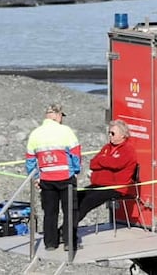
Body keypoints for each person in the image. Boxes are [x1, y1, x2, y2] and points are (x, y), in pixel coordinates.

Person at [25, 102, 81, 251]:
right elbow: (75, 152)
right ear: (57, 115)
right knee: (70, 211)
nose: (62, 119)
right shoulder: (65, 131)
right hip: (65, 176)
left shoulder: (35, 133)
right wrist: (76, 170)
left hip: (46, 178)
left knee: (50, 212)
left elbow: (30, 159)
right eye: (61, 115)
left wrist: (36, 176)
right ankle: (69, 242)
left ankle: (50, 243)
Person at [72, 119, 138, 239]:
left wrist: (102, 161)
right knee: (75, 196)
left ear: (123, 135)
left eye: (113, 133)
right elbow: (93, 163)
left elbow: (116, 164)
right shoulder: (107, 147)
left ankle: (68, 231)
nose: (110, 135)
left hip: (115, 187)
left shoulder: (128, 150)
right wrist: (105, 162)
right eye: (109, 132)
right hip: (99, 184)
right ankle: (68, 227)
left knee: (88, 201)